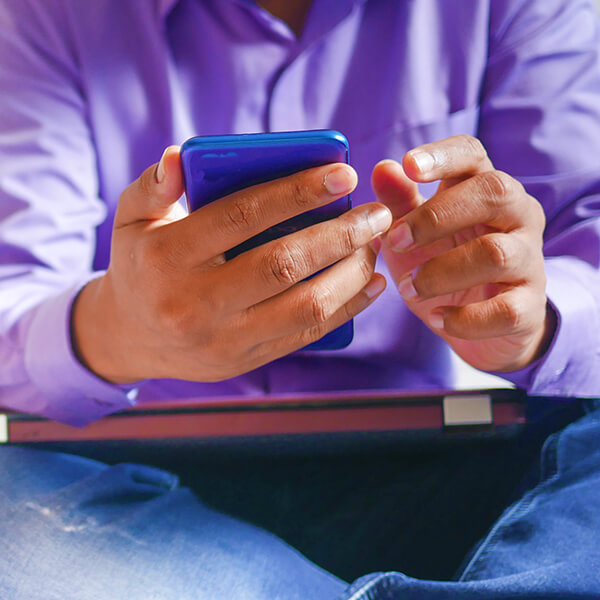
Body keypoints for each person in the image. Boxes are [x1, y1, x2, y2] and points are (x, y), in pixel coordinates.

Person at [0, 0, 600, 597]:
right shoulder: (43, 15)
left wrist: (531, 318)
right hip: (131, 469)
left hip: (431, 462)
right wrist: (121, 329)